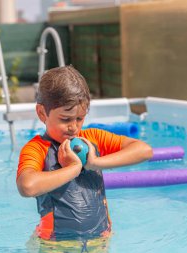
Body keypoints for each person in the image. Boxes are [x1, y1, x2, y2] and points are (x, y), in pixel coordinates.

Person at [16, 65, 153, 251]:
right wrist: (72, 169)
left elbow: (144, 150)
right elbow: (27, 186)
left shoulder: (92, 139)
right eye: (65, 119)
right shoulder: (37, 148)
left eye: (79, 118)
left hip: (100, 240)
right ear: (42, 113)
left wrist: (95, 163)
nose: (74, 127)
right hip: (56, 244)